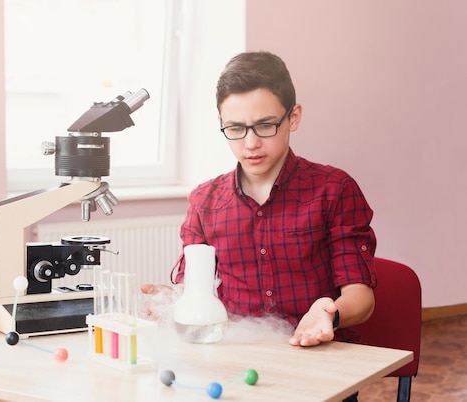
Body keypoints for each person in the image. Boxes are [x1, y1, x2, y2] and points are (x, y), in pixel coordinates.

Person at [142, 51, 375, 401]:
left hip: (318, 369)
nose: (250, 143)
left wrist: (329, 312)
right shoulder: (204, 201)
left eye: (265, 126)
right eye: (235, 129)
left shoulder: (334, 190)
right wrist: (172, 300)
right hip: (233, 371)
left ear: (293, 116)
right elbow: (194, 288)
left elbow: (362, 297)